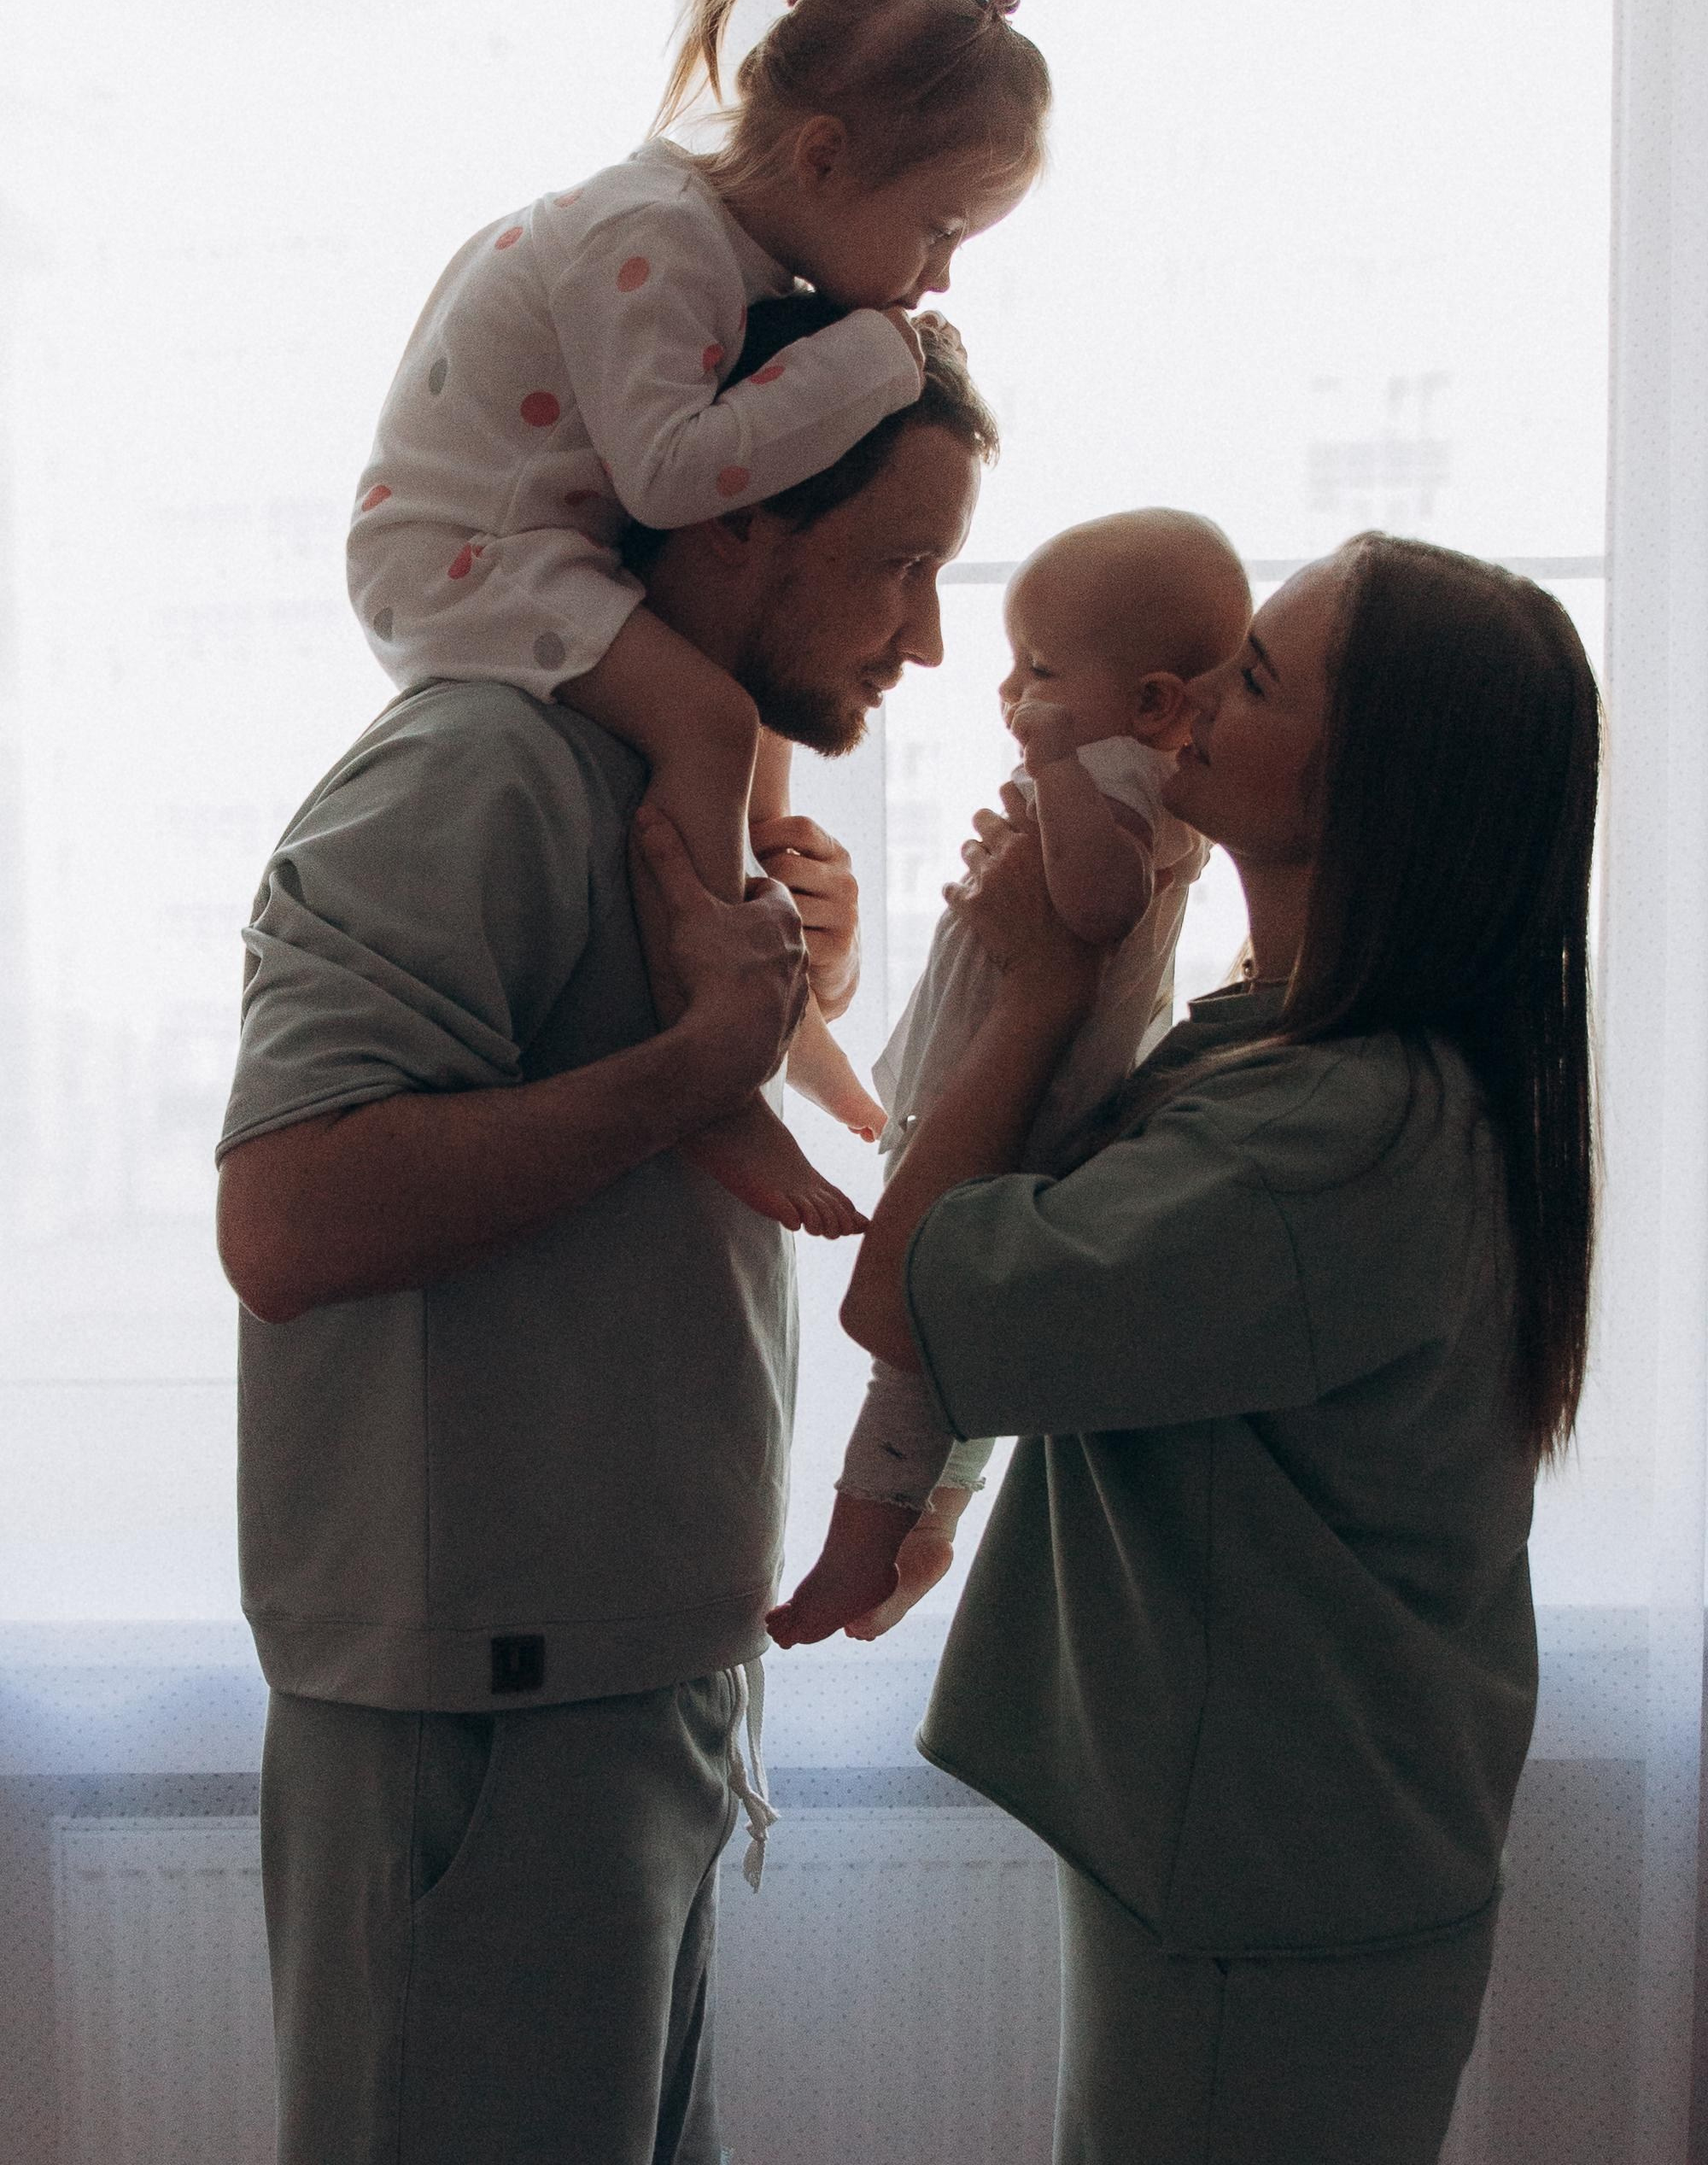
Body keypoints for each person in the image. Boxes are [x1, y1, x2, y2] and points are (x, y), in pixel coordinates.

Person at [214, 319, 997, 2165]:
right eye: (898, 566)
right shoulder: (475, 769)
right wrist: (689, 1074)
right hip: (482, 1726)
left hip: (615, 1694)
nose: (926, 637)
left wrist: (780, 1015)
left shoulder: (668, 806)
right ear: (729, 522)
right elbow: (287, 1215)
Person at [814, 533, 1598, 2165]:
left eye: (1252, 676)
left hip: (1275, 1888)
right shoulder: (1296, 1056)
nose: (1188, 706)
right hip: (1276, 1861)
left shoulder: (1338, 1135)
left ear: (1367, 783)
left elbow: (914, 1293)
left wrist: (1039, 985)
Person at [347, 0, 1049, 1232]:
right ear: (826, 156)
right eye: (939, 229)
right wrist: (883, 358)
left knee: (732, 710)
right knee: (715, 718)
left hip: (533, 542)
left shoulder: (729, 255)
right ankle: (727, 1071)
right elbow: (677, 479)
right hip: (469, 554)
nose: (940, 277)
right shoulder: (656, 234)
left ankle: (785, 1011)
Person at [769, 507, 1251, 1646]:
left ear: (1150, 702)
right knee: (960, 1348)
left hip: (1028, 1096)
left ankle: (856, 1550)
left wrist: (1054, 775)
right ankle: (929, 1520)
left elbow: (1095, 906)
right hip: (1002, 1072)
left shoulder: (1129, 781)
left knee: (922, 1337)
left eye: (1039, 667)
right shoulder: (1116, 770)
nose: (1011, 692)